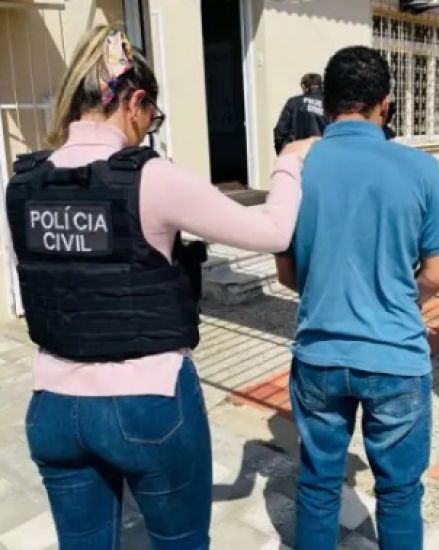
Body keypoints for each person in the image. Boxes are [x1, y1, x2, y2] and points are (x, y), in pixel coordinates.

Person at [6, 25, 313, 550]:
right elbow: (273, 231)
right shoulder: (152, 178)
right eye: (153, 116)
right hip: (147, 402)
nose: (149, 129)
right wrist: (288, 162)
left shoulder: (23, 183)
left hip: (54, 405)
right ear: (134, 103)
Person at [275, 46, 439, 550]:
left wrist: (330, 290)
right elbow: (437, 276)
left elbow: (287, 273)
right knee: (399, 494)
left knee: (317, 486)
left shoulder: (296, 167)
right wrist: (395, 299)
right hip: (396, 358)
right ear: (386, 103)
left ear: (327, 103)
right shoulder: (422, 168)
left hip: (319, 356)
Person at [274, 73, 328, 154]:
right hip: (323, 152)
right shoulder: (330, 104)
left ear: (304, 86)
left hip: (298, 153)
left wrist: (282, 152)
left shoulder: (293, 102)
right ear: (321, 85)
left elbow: (280, 131)